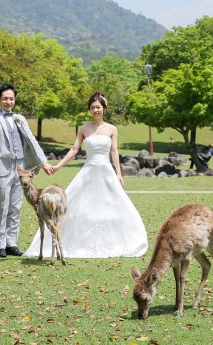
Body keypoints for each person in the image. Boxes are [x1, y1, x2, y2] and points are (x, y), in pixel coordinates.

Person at [23, 91, 148, 258]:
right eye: (92, 107)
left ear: (104, 108)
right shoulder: (84, 128)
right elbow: (74, 149)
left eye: (98, 107)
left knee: (112, 206)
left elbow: (114, 151)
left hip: (106, 172)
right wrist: (58, 165)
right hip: (88, 171)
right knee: (75, 206)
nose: (95, 110)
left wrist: (119, 173)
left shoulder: (112, 129)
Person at [0, 83, 52, 258]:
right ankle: (0, 245)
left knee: (15, 207)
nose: (8, 102)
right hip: (1, 167)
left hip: (21, 169)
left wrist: (44, 162)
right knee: (2, 206)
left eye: (11, 98)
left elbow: (32, 140)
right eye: (5, 98)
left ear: (15, 100)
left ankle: (11, 243)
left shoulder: (20, 118)